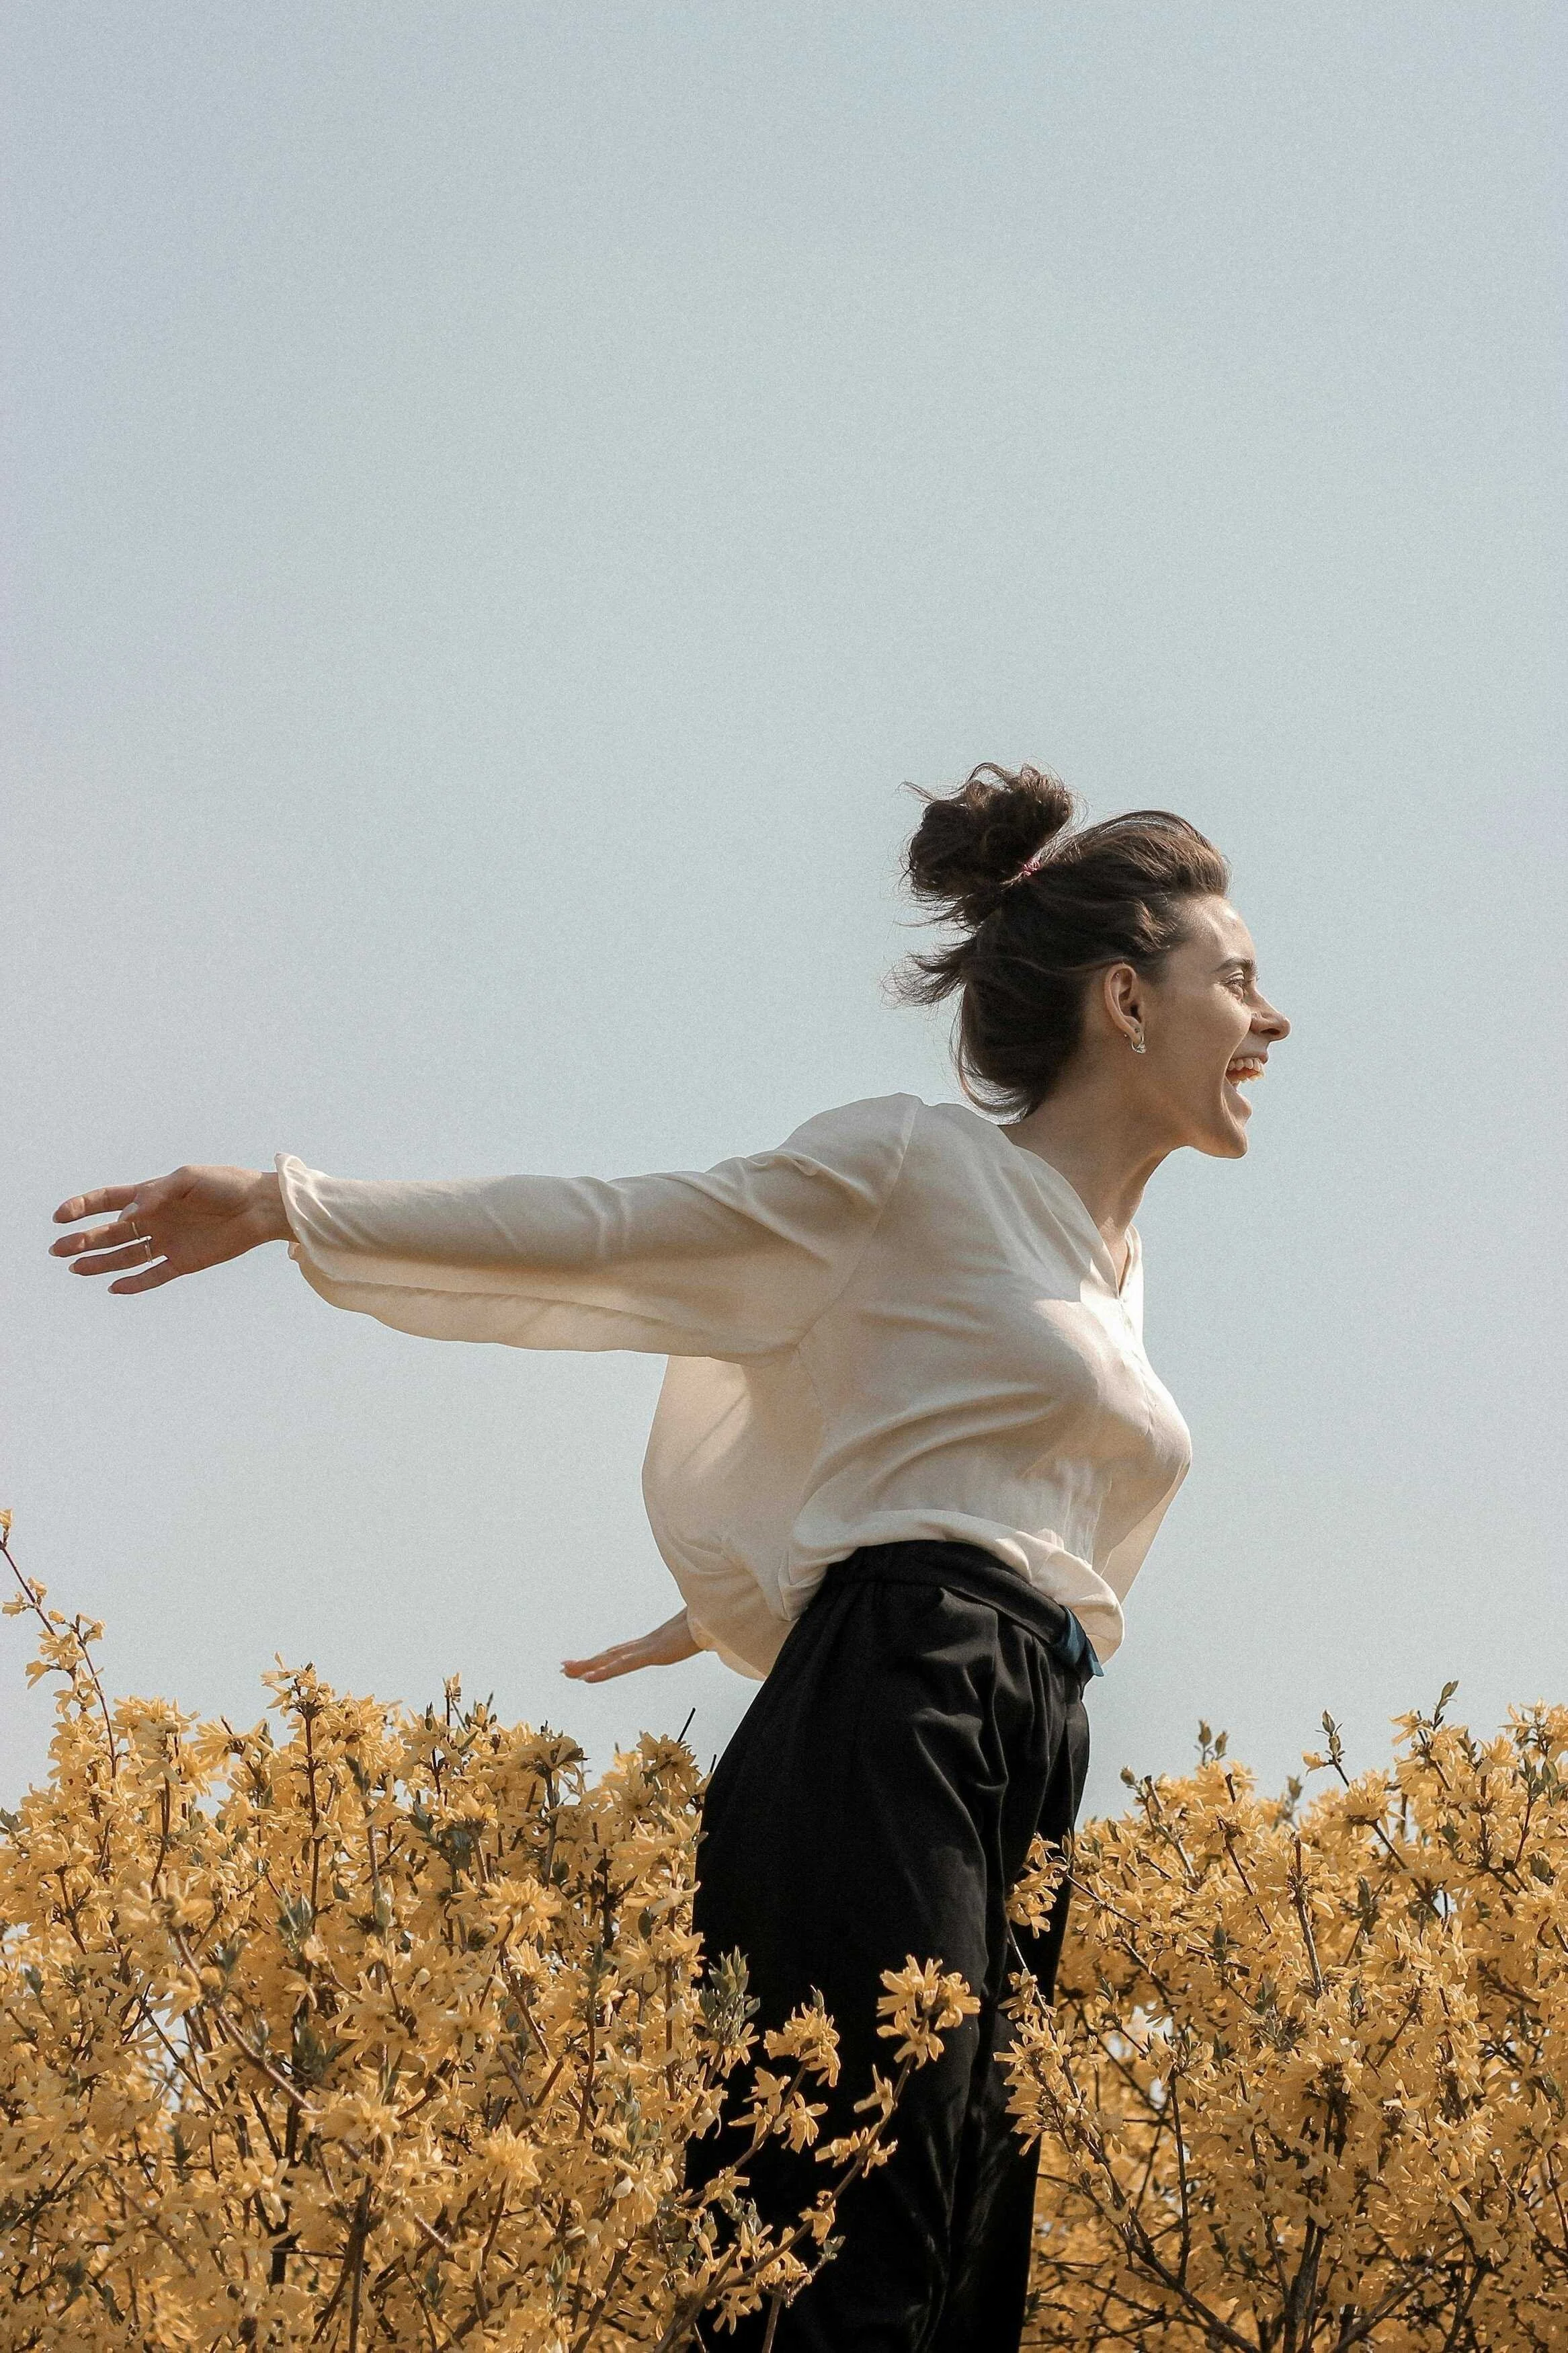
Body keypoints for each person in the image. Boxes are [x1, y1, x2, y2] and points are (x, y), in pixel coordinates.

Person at [50, 763, 1288, 2351]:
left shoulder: (1111, 1268)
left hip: (1018, 1731)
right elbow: (621, 1228)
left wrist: (748, 1600)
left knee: (969, 2246)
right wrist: (295, 1205)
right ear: (1126, 999)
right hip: (897, 1710)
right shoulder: (916, 1167)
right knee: (848, 2233)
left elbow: (952, 1477)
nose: (1268, 1019)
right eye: (1237, 978)